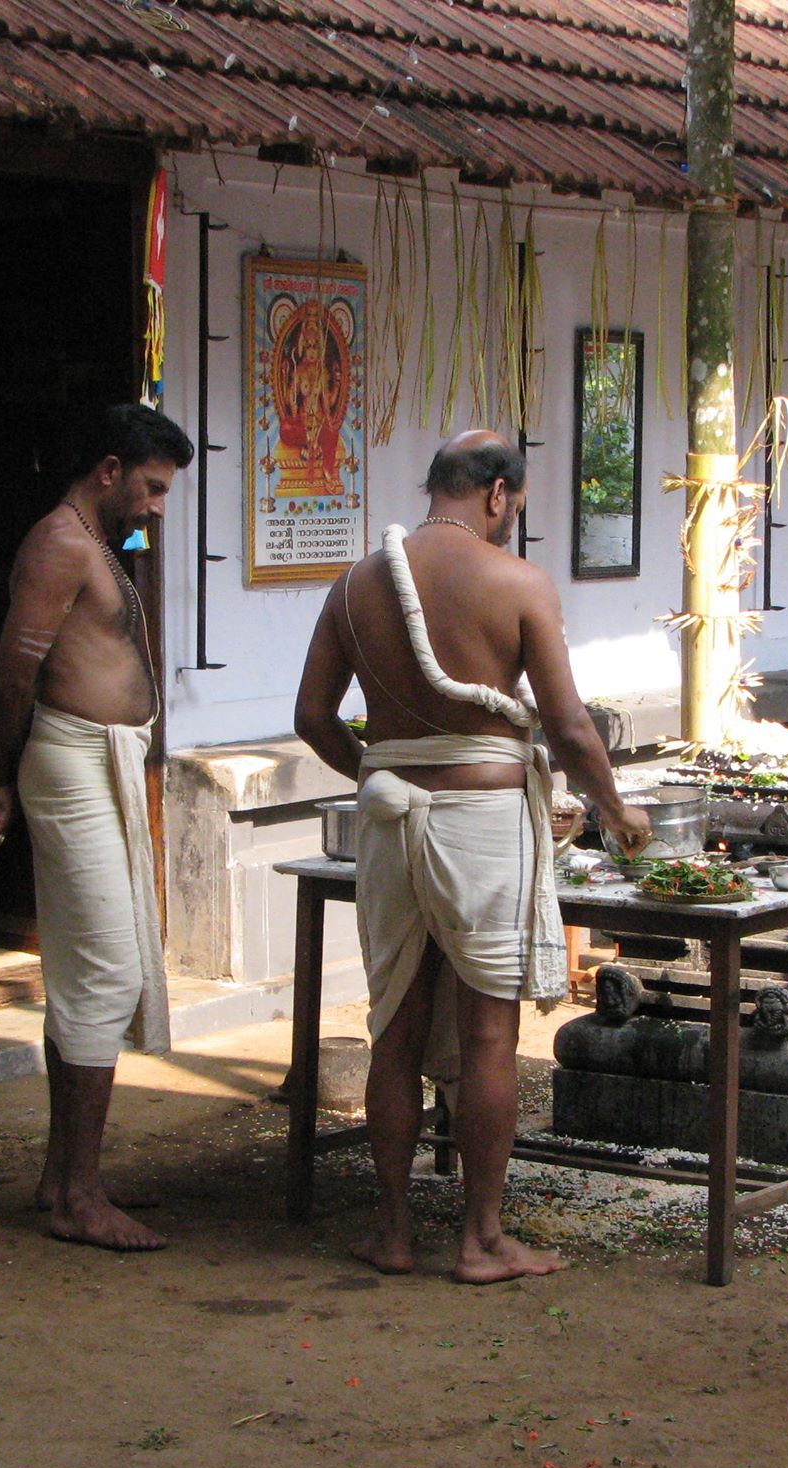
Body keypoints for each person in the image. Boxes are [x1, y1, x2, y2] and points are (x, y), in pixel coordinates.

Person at [294, 430, 653, 1284]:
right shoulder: (516, 582)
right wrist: (617, 809)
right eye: (514, 509)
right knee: (490, 1034)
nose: (509, 520)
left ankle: (391, 1231)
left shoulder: (355, 587)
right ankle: (482, 1239)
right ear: (499, 494)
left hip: (388, 822)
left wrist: (379, 768)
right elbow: (567, 726)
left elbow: (312, 716)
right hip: (482, 822)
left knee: (395, 1028)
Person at [0, 403, 192, 1252]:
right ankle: (79, 1195)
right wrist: (2, 777)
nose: (156, 506)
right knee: (103, 969)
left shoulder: (93, 543)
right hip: (70, 763)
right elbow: (7, 681)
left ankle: (64, 1178)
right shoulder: (61, 542)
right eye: (150, 486)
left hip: (97, 764)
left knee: (96, 968)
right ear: (108, 470)